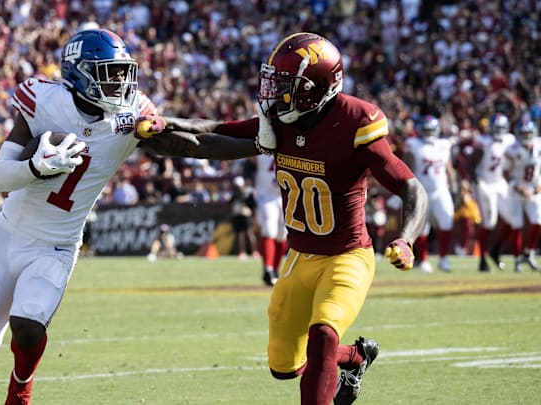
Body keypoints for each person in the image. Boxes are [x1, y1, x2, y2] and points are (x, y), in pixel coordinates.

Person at [0, 28, 252, 405]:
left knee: (28, 326)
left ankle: (21, 388)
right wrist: (36, 166)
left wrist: (256, 143)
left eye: (122, 72)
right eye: (109, 73)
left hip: (58, 245)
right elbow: (0, 177)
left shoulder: (131, 115)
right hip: (9, 235)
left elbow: (195, 140)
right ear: (79, 74)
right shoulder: (42, 100)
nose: (121, 83)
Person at [153, 32, 428, 405]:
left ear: (317, 88)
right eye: (275, 83)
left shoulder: (355, 122)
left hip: (347, 257)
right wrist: (160, 124)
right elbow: (214, 132)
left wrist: (405, 238)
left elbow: (412, 188)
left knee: (323, 335)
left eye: (286, 86)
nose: (274, 94)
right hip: (298, 258)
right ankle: (357, 356)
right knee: (283, 365)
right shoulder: (282, 120)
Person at [402, 115, 457, 273]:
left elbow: (449, 167)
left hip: (441, 190)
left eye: (430, 130)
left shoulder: (444, 145)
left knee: (447, 222)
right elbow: (407, 166)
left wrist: (453, 188)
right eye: (425, 130)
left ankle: (444, 258)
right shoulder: (413, 145)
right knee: (422, 228)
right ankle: (424, 260)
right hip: (422, 191)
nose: (428, 133)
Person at [467, 112, 516, 271]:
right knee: (489, 222)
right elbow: (470, 164)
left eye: (501, 128)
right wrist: (476, 182)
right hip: (485, 183)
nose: (498, 131)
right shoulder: (483, 141)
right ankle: (482, 259)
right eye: (496, 128)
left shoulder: (510, 140)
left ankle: (495, 249)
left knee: (514, 219)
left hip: (500, 182)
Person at [500, 118, 541, 272]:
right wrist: (517, 187)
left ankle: (528, 252)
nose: (526, 135)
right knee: (516, 225)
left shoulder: (539, 146)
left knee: (538, 222)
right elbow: (505, 172)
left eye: (528, 132)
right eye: (523, 133)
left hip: (534, 189)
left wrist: (539, 187)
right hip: (516, 191)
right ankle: (517, 260)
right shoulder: (511, 150)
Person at [252, 154, 287, 286]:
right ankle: (267, 269)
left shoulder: (287, 144)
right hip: (266, 195)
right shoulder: (260, 150)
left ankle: (276, 269)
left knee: (282, 235)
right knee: (269, 231)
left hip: (285, 194)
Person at [229, 175, 259, 260]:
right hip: (238, 215)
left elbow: (253, 205)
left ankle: (255, 251)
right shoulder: (234, 194)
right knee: (240, 235)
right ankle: (242, 252)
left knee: (249, 233)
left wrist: (254, 216)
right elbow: (230, 203)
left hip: (246, 215)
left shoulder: (248, 193)